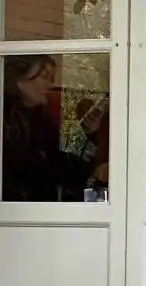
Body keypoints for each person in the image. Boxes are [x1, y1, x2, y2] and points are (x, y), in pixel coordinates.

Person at [1, 56, 106, 202]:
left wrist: (87, 132)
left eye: (51, 78)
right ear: (19, 77)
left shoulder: (41, 121)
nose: (51, 85)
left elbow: (67, 173)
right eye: (45, 77)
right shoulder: (8, 124)